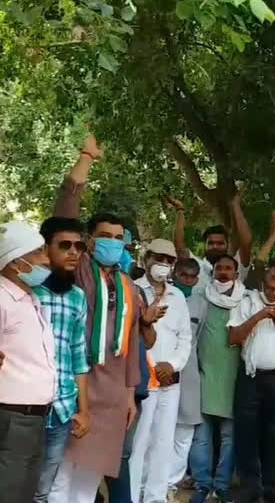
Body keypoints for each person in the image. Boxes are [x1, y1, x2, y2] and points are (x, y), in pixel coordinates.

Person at [48, 136, 157, 503]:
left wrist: (130, 397)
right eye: (103, 237)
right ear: (89, 241)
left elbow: (131, 347)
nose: (111, 242)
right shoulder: (79, 271)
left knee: (87, 484)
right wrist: (85, 160)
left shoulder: (129, 286)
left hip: (113, 397)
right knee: (59, 480)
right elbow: (65, 214)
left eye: (118, 238)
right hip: (74, 390)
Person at [129, 239, 192, 503]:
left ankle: (155, 497)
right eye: (159, 258)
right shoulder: (133, 290)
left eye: (169, 260)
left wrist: (173, 365)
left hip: (170, 380)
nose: (163, 264)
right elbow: (131, 335)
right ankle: (131, 495)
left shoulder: (177, 296)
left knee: (163, 442)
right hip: (143, 378)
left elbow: (185, 338)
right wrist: (153, 368)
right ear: (146, 259)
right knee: (138, 443)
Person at [33, 218, 91, 503]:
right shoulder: (25, 292)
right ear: (45, 249)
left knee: (43, 489)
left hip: (62, 408)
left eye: (78, 246)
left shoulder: (78, 298)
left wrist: (83, 410)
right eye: (64, 245)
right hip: (25, 406)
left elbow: (79, 355)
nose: (73, 252)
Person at [228, 267, 275, 503]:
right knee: (246, 433)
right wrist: (259, 316)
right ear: (262, 285)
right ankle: (249, 487)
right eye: (270, 288)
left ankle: (273, 488)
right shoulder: (247, 302)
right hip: (251, 377)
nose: (274, 293)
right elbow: (233, 338)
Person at [0, 221, 56, 503]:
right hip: (11, 417)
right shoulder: (2, 299)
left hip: (33, 416)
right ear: (16, 261)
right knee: (9, 491)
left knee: (24, 489)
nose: (47, 259)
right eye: (39, 252)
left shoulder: (28, 298)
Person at [187, 255, 247, 503]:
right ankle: (202, 484)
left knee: (229, 436)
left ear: (236, 272)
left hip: (234, 377)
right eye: (219, 268)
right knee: (201, 436)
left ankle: (221, 484)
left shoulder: (246, 300)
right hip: (203, 375)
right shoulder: (199, 299)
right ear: (213, 273)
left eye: (228, 268)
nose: (223, 272)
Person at [168, 193, 253, 289]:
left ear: (227, 245)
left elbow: (247, 242)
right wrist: (180, 210)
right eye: (211, 243)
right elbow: (179, 246)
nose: (215, 246)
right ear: (205, 245)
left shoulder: (235, 267)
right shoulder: (196, 267)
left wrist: (235, 205)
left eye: (220, 243)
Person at [168, 258, 202, 496]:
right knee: (156, 432)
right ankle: (148, 484)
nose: (187, 280)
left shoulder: (202, 304)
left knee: (184, 432)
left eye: (192, 276)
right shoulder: (163, 296)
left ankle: (171, 483)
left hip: (189, 374)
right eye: (183, 275)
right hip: (158, 372)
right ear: (175, 274)